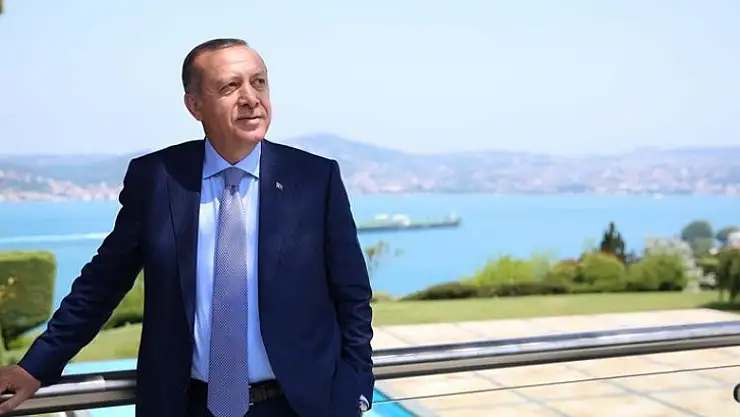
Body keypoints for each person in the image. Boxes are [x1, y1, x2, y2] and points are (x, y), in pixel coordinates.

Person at [0, 38, 374, 417]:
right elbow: (102, 283)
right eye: (230, 87)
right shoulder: (156, 179)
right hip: (186, 407)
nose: (250, 98)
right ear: (194, 105)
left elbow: (352, 293)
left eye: (258, 82)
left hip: (300, 407)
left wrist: (358, 390)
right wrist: (35, 366)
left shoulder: (314, 178)